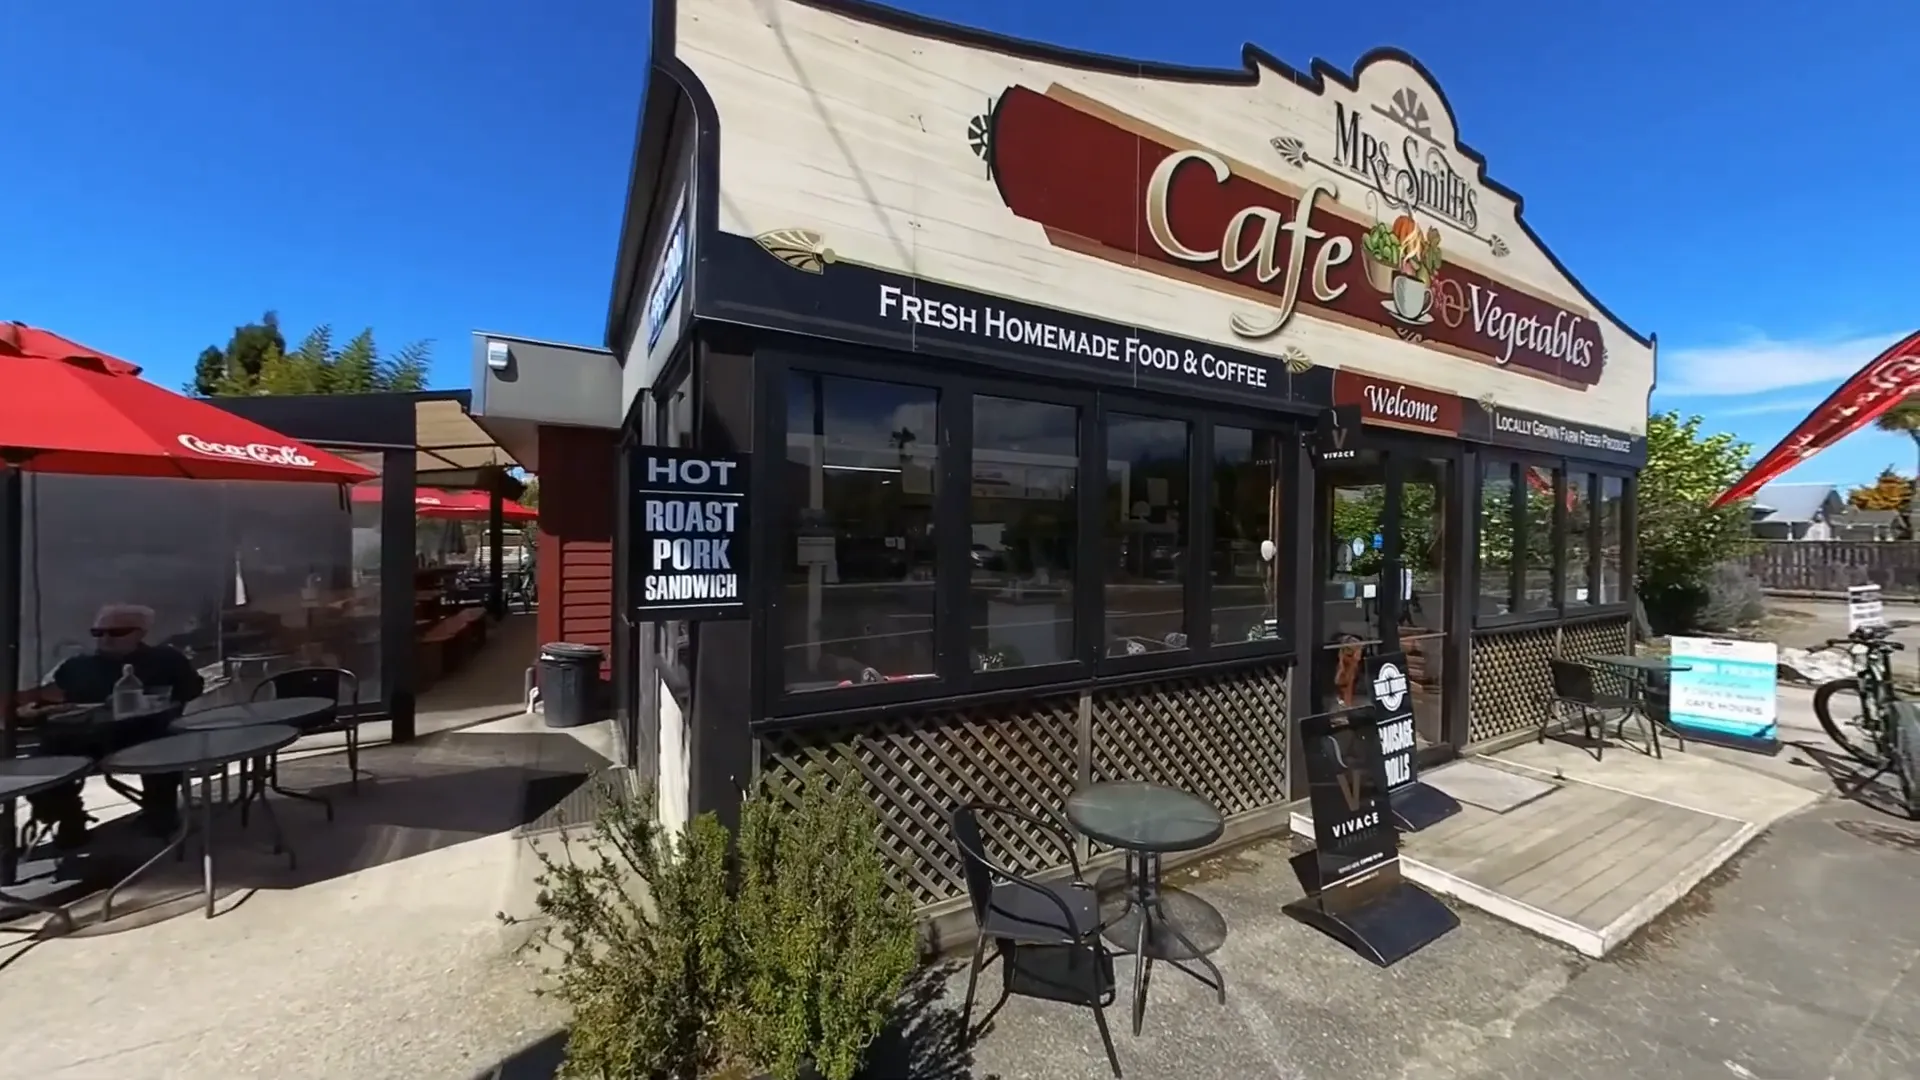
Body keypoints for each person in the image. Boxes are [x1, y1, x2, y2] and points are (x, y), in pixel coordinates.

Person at [24, 604, 205, 846]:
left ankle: (161, 815)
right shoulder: (78, 666)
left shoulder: (165, 659)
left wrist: (158, 699)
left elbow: (191, 690)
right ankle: (68, 816)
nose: (106, 639)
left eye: (116, 632)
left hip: (145, 734)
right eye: (98, 633)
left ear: (140, 633)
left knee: (163, 745)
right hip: (84, 737)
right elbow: (51, 698)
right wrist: (34, 710)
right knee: (40, 762)